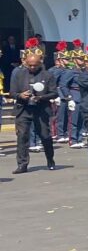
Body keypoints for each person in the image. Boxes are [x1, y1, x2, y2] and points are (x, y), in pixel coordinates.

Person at [10, 39, 58, 173]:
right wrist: (20, 95)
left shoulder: (47, 75)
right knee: (22, 137)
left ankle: (50, 159)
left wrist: (41, 97)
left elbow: (54, 93)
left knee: (45, 136)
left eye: (34, 65)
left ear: (40, 63)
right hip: (23, 109)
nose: (32, 67)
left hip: (40, 109)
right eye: (29, 65)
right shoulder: (18, 74)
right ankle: (22, 164)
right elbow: (12, 92)